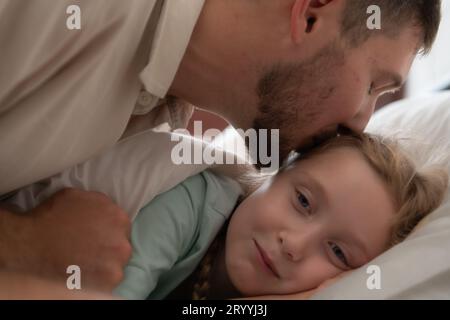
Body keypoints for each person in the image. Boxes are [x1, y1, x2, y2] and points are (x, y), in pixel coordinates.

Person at [0, 0, 442, 292]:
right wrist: (23, 243)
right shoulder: (54, 15)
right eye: (373, 86)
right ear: (310, 14)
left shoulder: (156, 115)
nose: (362, 122)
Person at [113, 133, 448, 299]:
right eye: (302, 201)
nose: (294, 245)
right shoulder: (190, 202)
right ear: (275, 172)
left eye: (337, 252)